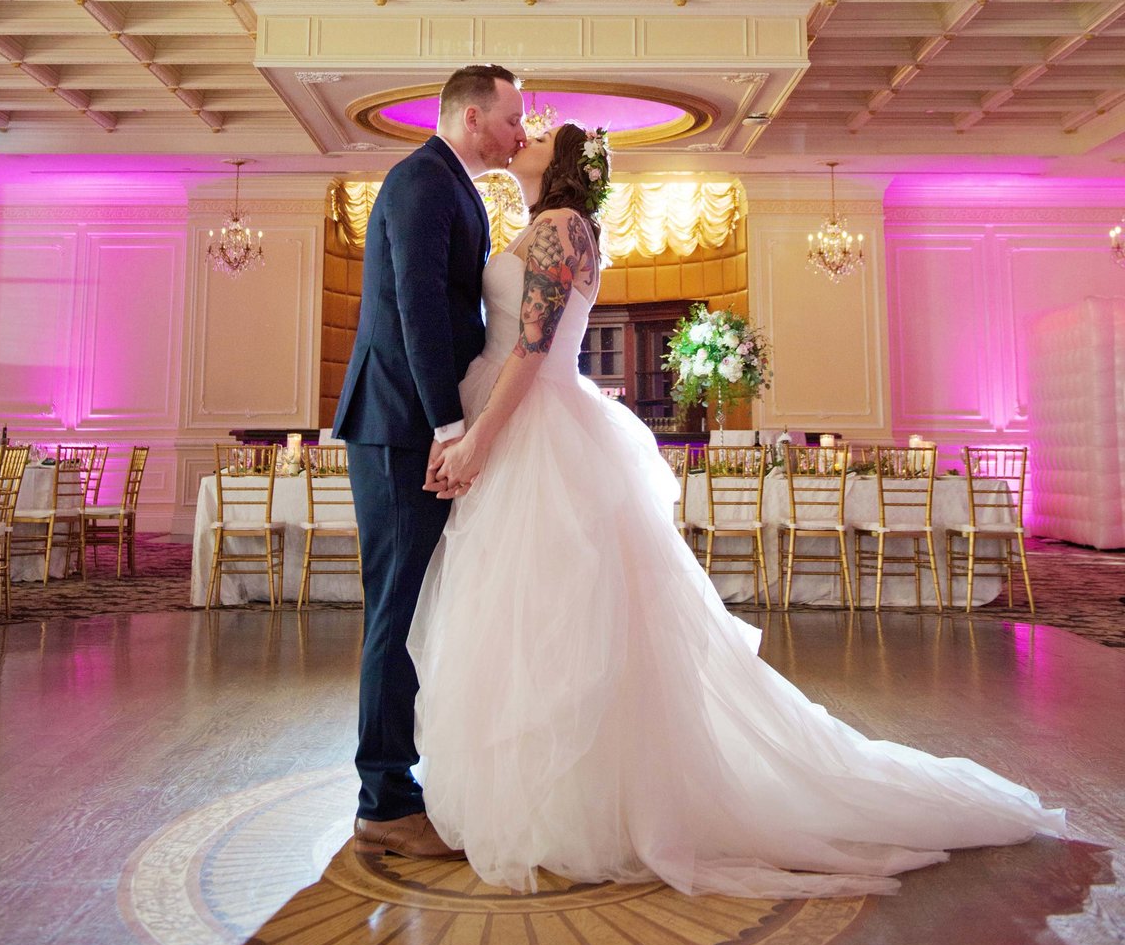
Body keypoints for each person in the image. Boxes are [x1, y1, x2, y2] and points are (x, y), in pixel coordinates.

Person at [410, 123, 1066, 896]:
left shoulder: (558, 228)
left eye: (540, 134)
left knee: (553, 613)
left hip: (532, 425)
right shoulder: (543, 226)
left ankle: (575, 803)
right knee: (532, 614)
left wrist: (481, 435)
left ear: (559, 166)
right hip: (530, 423)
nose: (524, 134)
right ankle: (545, 792)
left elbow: (529, 347)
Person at [334, 63, 525, 859]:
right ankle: (383, 799)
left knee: (412, 608)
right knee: (396, 612)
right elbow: (416, 305)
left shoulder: (453, 186)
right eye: (513, 118)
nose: (522, 133)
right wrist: (449, 425)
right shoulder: (421, 180)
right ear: (473, 117)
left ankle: (399, 785)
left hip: (417, 424)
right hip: (400, 427)